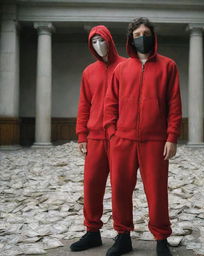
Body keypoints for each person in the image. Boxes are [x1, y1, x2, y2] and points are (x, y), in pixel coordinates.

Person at [103, 17, 182, 256]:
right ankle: (123, 237)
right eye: (137, 34)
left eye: (146, 33)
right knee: (120, 189)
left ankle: (161, 240)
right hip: (123, 141)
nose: (142, 37)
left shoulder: (168, 66)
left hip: (155, 142)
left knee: (157, 192)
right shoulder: (121, 69)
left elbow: (174, 104)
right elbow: (110, 104)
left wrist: (172, 137)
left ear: (153, 35)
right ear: (130, 39)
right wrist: (112, 134)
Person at [70, 25, 125, 252]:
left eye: (102, 40)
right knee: (92, 185)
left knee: (121, 186)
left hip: (120, 138)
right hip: (94, 138)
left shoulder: (126, 67)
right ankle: (92, 231)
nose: (99, 45)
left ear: (110, 40)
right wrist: (82, 135)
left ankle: (123, 235)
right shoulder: (88, 72)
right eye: (94, 41)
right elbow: (84, 105)